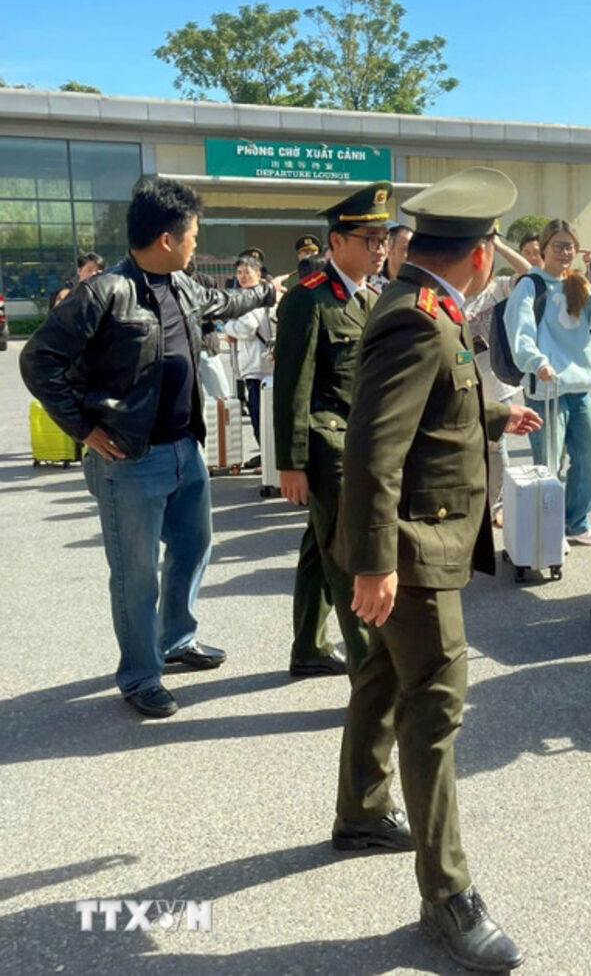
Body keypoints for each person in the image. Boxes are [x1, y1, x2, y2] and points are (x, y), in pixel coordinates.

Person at [336, 167, 540, 972]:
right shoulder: (419, 318)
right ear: (481, 254)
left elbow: (434, 405)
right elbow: (373, 449)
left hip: (415, 540)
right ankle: (447, 897)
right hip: (413, 549)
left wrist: (494, 411)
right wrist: (375, 562)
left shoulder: (423, 305)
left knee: (385, 676)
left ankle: (361, 811)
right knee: (436, 706)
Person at [20, 178, 278, 718]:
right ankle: (140, 674)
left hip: (186, 449)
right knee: (136, 575)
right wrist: (83, 429)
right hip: (131, 459)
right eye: (193, 236)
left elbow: (226, 301)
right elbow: (38, 359)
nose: (196, 244)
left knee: (193, 547)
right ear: (166, 239)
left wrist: (267, 292)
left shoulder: (182, 285)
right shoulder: (105, 292)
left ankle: (177, 638)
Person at [273, 183, 395, 678]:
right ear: (337, 241)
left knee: (318, 548)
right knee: (349, 560)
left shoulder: (369, 298)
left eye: (384, 239)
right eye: (370, 239)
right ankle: (371, 679)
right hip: (330, 447)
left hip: (358, 443)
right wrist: (291, 463)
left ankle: (308, 646)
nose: (380, 249)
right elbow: (292, 385)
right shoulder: (309, 300)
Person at [505, 218, 591, 546]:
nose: (564, 252)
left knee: (590, 457)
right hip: (546, 389)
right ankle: (547, 528)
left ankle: (576, 521)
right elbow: (520, 330)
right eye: (557, 246)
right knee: (549, 463)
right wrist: (537, 362)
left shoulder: (577, 284)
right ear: (543, 249)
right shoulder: (530, 285)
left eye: (569, 246)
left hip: (579, 387)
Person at [463, 235, 535, 526]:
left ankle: (497, 505)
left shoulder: (499, 288)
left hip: (493, 376)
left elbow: (530, 274)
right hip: (463, 376)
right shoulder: (455, 291)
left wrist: (499, 245)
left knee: (496, 443)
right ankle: (472, 502)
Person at [222, 255, 276, 453]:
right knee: (267, 415)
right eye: (239, 272)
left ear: (258, 273)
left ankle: (266, 457)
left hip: (255, 364)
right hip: (268, 363)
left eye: (247, 272)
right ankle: (267, 456)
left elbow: (247, 328)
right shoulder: (268, 295)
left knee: (259, 415)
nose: (242, 277)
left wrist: (228, 328)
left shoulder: (249, 299)